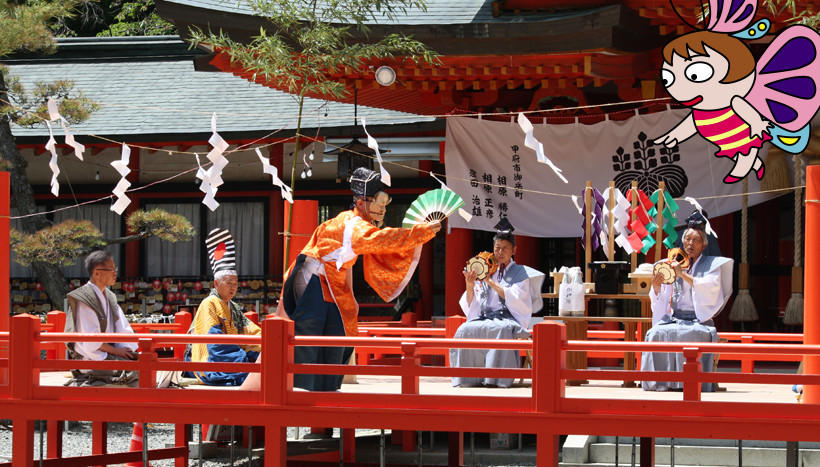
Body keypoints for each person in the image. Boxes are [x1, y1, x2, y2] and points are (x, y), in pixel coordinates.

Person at [278, 167, 441, 391]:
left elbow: (347, 265)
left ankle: (327, 386)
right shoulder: (353, 225)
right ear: (362, 201)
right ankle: (303, 388)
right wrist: (420, 232)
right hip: (312, 279)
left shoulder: (355, 224)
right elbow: (383, 239)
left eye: (386, 203)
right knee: (312, 333)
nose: (383, 208)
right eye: (379, 202)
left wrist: (351, 297)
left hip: (331, 281)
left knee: (340, 331)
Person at [641, 214, 734, 392]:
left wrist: (682, 274)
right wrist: (657, 286)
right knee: (655, 334)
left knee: (693, 335)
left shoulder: (711, 265)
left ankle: (691, 381)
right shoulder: (670, 262)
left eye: (696, 240)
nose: (690, 244)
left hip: (698, 320)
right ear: (682, 242)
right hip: (674, 318)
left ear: (704, 244)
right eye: (687, 239)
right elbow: (658, 298)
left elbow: (710, 288)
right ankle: (661, 381)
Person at [450, 218, 545, 388]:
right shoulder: (488, 269)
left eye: (504, 249)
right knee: (464, 329)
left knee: (500, 329)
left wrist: (489, 281)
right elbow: (474, 304)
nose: (500, 252)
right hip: (485, 316)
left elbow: (515, 298)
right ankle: (467, 378)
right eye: (497, 248)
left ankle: (497, 379)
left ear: (514, 250)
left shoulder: (520, 273)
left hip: (507, 318)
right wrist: (470, 285)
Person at [186, 228, 261, 386]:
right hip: (211, 363)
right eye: (229, 282)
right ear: (216, 284)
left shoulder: (233, 307)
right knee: (255, 372)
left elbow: (251, 331)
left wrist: (268, 343)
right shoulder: (209, 304)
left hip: (232, 357)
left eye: (236, 283)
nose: (233, 287)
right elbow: (215, 344)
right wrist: (243, 358)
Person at [65, 250, 138, 386]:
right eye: (111, 269)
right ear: (97, 273)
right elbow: (91, 340)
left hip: (109, 353)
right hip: (92, 357)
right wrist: (116, 351)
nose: (115, 273)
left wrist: (127, 350)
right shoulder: (85, 299)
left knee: (143, 364)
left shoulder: (110, 297)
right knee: (135, 373)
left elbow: (123, 328)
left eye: (115, 268)